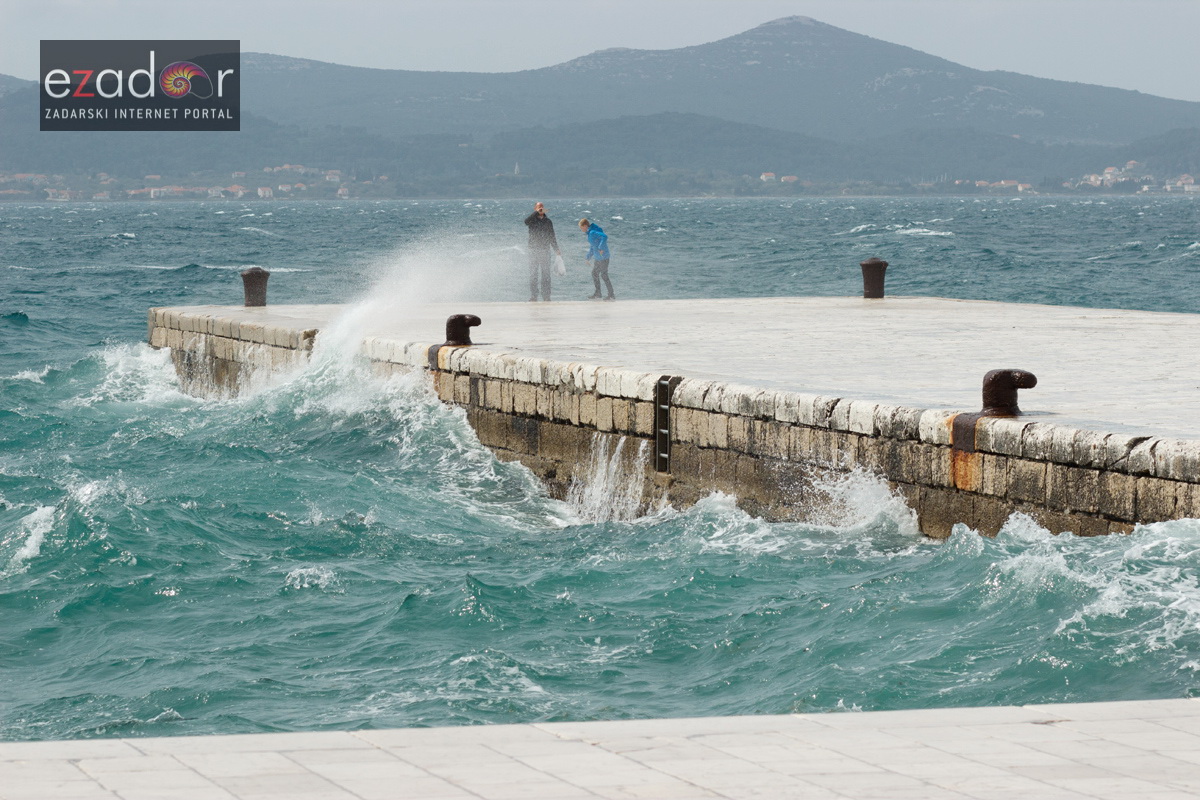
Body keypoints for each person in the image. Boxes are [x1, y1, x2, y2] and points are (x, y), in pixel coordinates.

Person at [523, 201, 561, 301]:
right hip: (533, 250)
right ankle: (534, 296)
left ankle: (546, 296)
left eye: (542, 207)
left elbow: (552, 235)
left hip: (545, 250)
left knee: (546, 275)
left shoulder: (548, 221)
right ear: (535, 208)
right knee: (533, 274)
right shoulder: (532, 220)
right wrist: (536, 213)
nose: (540, 208)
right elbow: (525, 222)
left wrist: (556, 248)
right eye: (539, 207)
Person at [579, 218, 614, 301]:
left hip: (604, 257)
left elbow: (604, 237)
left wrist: (601, 247)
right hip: (598, 258)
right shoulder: (590, 234)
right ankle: (598, 293)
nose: (581, 230)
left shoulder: (592, 232)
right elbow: (592, 246)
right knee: (594, 273)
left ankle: (611, 295)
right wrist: (588, 257)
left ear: (585, 226)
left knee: (604, 275)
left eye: (581, 228)